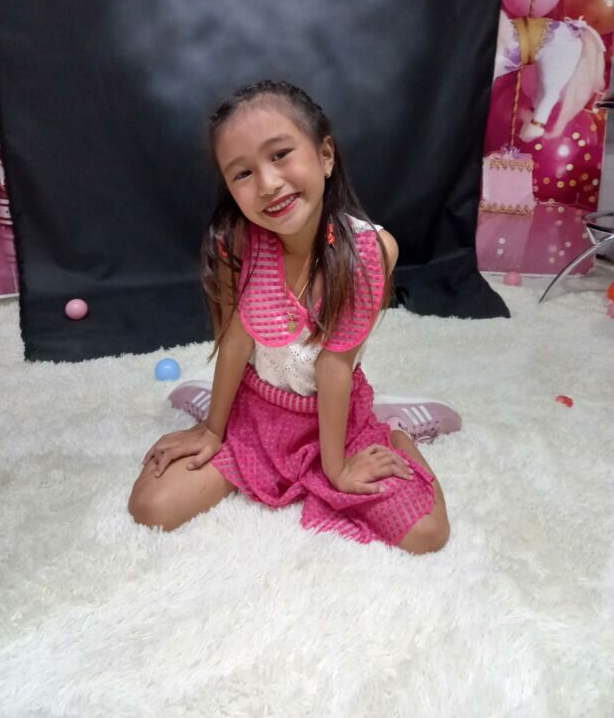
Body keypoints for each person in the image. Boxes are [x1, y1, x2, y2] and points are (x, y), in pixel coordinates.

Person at [129, 80, 456, 553]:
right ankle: (212, 404)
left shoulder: (369, 251)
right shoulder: (238, 242)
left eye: (280, 154)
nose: (267, 184)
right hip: (255, 415)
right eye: (242, 174)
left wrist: (338, 468)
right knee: (151, 507)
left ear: (325, 156)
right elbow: (236, 340)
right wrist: (214, 429)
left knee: (427, 534)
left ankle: (397, 432)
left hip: (332, 421)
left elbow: (333, 366)